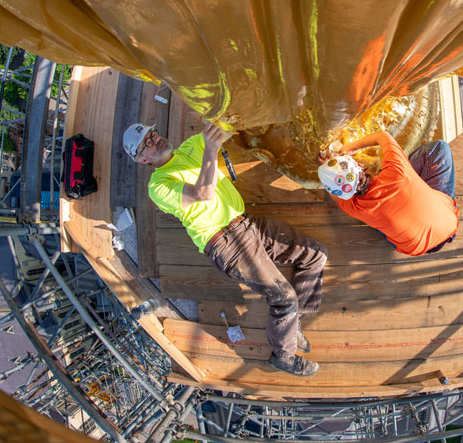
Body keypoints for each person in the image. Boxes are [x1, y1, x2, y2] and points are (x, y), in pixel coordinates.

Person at [124, 121, 327, 376]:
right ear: (142, 160)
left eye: (153, 134)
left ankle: (294, 324)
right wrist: (210, 149)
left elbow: (228, 126)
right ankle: (284, 358)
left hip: (246, 224)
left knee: (315, 255)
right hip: (226, 244)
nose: (155, 140)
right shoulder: (159, 185)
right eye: (147, 144)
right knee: (283, 297)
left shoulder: (190, 146)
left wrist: (245, 115)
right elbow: (202, 193)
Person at [317, 132, 458, 256]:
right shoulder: (396, 169)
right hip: (448, 225)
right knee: (439, 147)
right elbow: (382, 135)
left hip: (415, 248)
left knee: (378, 223)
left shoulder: (355, 208)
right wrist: (352, 146)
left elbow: (336, 198)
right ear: (360, 166)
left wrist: (323, 169)